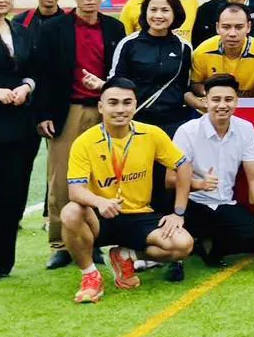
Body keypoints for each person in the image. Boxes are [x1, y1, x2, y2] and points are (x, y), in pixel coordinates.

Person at [61, 78, 195, 303]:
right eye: (113, 103)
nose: (120, 109)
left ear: (135, 105)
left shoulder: (152, 134)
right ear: (101, 106)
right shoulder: (84, 142)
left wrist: (178, 212)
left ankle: (126, 256)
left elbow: (183, 165)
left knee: (183, 245)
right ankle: (90, 275)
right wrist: (100, 202)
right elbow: (75, 191)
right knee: (71, 212)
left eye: (127, 102)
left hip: (138, 215)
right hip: (101, 216)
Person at [35, 0, 125, 268]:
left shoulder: (114, 28)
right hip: (68, 110)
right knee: (62, 179)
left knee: (102, 177)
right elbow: (42, 73)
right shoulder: (54, 28)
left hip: (104, 110)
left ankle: (94, 240)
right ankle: (61, 244)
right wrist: (44, 113)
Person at [169, 74, 254, 270]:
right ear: (205, 101)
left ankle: (210, 249)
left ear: (236, 102)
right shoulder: (187, 131)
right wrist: (199, 184)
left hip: (224, 203)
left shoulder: (245, 129)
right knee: (176, 229)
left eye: (228, 99)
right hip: (192, 203)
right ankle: (195, 242)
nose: (222, 105)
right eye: (216, 99)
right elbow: (169, 179)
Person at [0, 0, 39, 283]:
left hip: (20, 124)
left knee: (13, 193)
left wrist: (26, 87)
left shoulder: (21, 30)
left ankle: (3, 261)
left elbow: (34, 70)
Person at [111, 0, 202, 136]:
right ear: (145, 12)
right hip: (137, 122)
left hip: (174, 123)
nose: (158, 15)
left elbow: (183, 87)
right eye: (153, 10)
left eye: (165, 10)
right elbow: (116, 82)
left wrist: (202, 104)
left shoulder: (183, 47)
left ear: (175, 13)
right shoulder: (129, 44)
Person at [192, 4, 254, 97]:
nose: (232, 34)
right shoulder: (202, 51)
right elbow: (195, 83)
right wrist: (215, 96)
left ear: (248, 27)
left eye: (239, 27)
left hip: (250, 105)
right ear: (217, 27)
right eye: (226, 27)